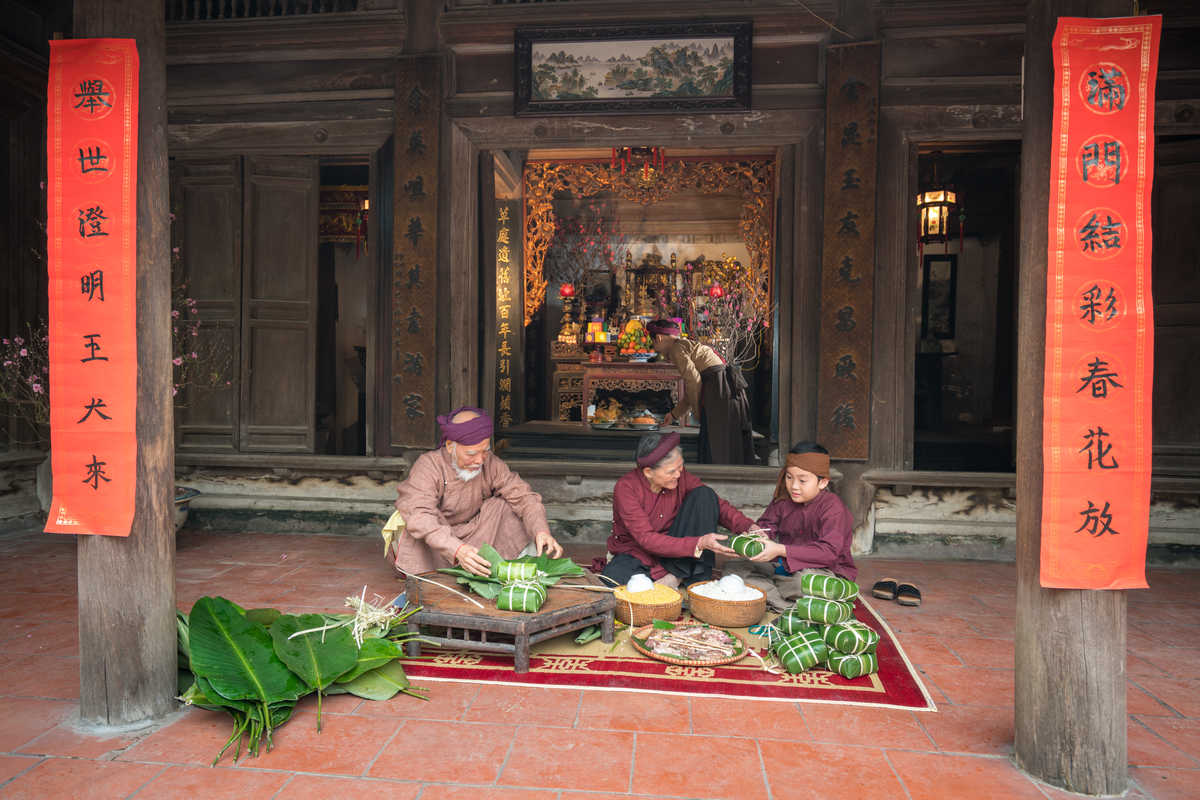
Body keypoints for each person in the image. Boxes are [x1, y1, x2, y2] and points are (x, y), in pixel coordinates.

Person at [391, 407, 563, 576]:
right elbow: (420, 514)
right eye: (471, 453)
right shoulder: (429, 465)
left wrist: (541, 530)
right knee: (418, 523)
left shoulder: (490, 464)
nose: (479, 460)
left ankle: (515, 569)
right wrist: (457, 549)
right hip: (438, 541)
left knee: (506, 506)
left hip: (476, 534)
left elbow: (524, 497)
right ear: (451, 446)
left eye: (485, 451)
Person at [604, 431, 752, 589]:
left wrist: (749, 527)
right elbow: (646, 539)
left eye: (681, 467)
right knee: (611, 584)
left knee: (705, 495)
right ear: (648, 472)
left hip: (676, 551)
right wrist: (699, 543)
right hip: (638, 552)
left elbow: (716, 504)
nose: (678, 474)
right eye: (671, 471)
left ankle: (675, 576)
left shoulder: (681, 477)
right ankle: (680, 575)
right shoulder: (626, 488)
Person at [724, 441, 856, 611]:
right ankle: (791, 605)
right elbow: (766, 525)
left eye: (802, 480)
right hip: (785, 566)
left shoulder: (833, 506)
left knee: (803, 582)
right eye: (789, 477)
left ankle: (768, 595)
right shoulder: (784, 498)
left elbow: (829, 553)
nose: (794, 486)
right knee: (734, 569)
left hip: (824, 571)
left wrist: (780, 550)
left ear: (822, 482)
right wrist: (761, 537)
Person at [646, 319, 755, 465]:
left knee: (717, 443)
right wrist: (673, 415)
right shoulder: (684, 344)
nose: (655, 348)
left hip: (718, 390)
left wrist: (698, 413)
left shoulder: (676, 349)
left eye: (653, 343)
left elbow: (693, 382)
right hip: (726, 388)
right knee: (729, 441)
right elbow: (692, 386)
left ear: (658, 338)